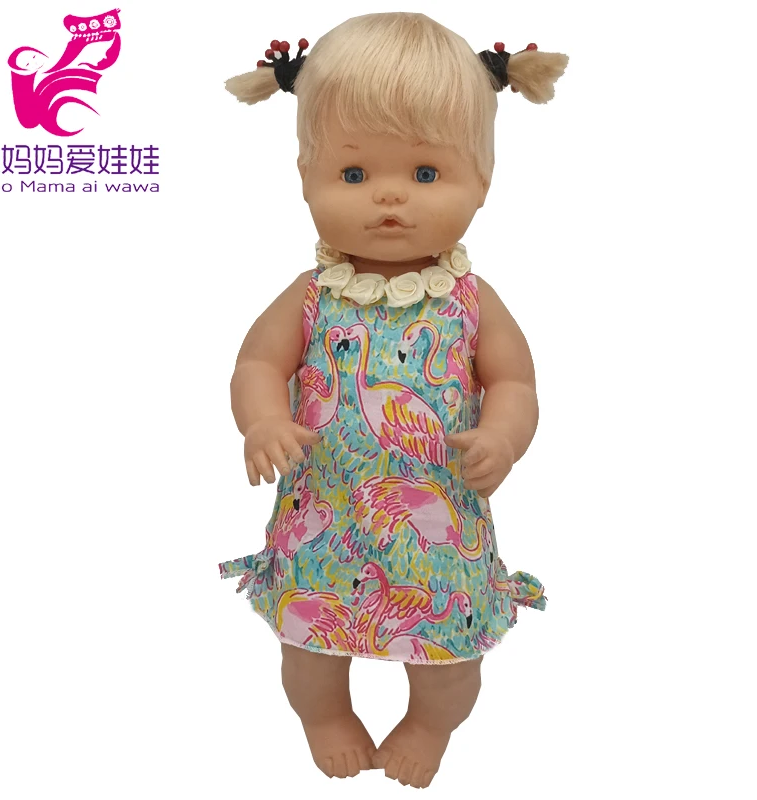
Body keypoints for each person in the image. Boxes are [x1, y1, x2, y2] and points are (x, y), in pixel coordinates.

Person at [218, 12, 568, 789]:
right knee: (308, 651)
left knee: (450, 661)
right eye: (352, 175)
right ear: (304, 174)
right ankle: (324, 716)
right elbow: (257, 362)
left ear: (483, 181)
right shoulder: (311, 296)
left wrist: (503, 439)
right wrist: (263, 419)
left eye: (424, 174)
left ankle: (429, 724)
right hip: (324, 517)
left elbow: (514, 382)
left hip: (440, 527)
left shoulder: (471, 302)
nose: (387, 197)